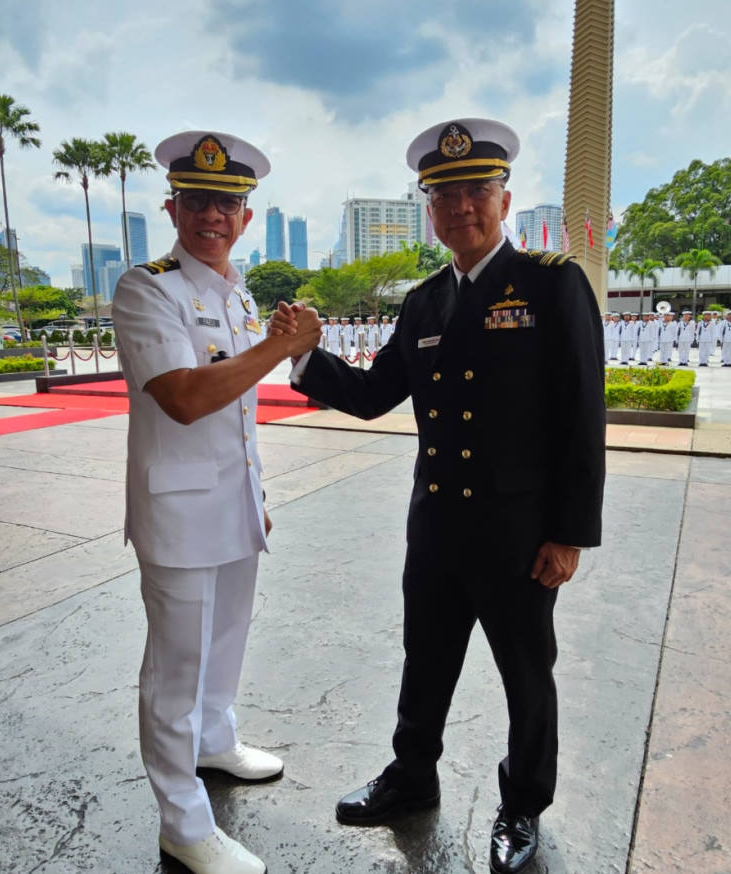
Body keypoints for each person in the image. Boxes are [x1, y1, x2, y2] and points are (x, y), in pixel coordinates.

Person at [272, 118, 605, 874]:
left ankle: (522, 805)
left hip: (521, 534)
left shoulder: (552, 284)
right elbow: (372, 394)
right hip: (437, 527)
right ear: (430, 208)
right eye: (446, 195)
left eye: (476, 192)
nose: (462, 208)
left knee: (526, 672)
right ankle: (412, 776)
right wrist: (305, 358)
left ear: (505, 198)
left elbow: (582, 415)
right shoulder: (423, 302)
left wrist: (570, 534)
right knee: (425, 660)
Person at [112, 129, 321, 874]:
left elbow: (240, 413)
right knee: (176, 669)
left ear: (246, 218)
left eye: (227, 204)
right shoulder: (148, 288)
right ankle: (182, 820)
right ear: (173, 208)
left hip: (232, 505)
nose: (212, 216)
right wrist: (276, 346)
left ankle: (213, 741)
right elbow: (187, 399)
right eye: (198, 201)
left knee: (226, 639)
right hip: (176, 513)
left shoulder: (235, 292)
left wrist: (255, 491)